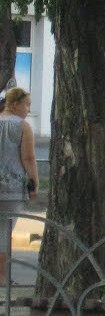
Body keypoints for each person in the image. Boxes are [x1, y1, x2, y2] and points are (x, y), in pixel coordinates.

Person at [0, 86, 37, 284]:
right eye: (26, 105)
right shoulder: (22, 126)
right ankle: (2, 276)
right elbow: (28, 158)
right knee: (4, 231)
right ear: (15, 104)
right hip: (11, 187)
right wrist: (34, 182)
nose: (28, 110)